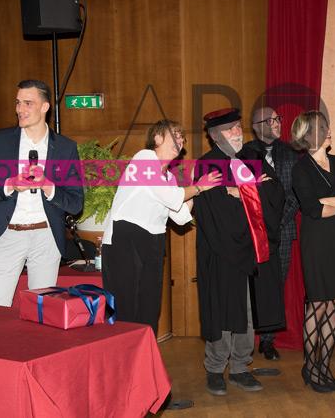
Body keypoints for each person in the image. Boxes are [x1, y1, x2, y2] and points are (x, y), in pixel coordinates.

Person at [194, 108, 285, 396]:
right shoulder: (207, 165)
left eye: (237, 127)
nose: (237, 133)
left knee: (247, 311)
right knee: (222, 311)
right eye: (230, 129)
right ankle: (215, 368)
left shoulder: (252, 158)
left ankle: (241, 367)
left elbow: (276, 193)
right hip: (221, 251)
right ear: (215, 136)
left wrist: (241, 192)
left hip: (251, 249)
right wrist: (252, 191)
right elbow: (214, 210)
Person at [0, 79, 84, 307]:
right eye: (18, 103)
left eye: (28, 103)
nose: (20, 109)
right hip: (7, 234)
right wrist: (10, 184)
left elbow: (75, 203)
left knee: (42, 312)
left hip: (46, 238)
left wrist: (48, 186)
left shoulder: (65, 148)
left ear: (45, 107)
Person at [101, 120, 221, 336]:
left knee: (149, 308)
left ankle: (144, 355)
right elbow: (172, 197)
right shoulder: (144, 158)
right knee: (125, 307)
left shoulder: (170, 178)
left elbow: (181, 216)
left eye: (182, 137)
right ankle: (121, 354)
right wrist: (198, 187)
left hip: (153, 242)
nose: (180, 140)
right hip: (125, 238)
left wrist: (198, 187)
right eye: (175, 134)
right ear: (157, 138)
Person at [291, 110, 335, 393]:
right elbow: (313, 210)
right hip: (316, 241)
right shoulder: (301, 169)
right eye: (322, 127)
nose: (329, 130)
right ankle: (310, 368)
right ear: (308, 134)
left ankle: (324, 367)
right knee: (319, 303)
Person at [244, 106, 299, 360]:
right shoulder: (244, 154)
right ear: (258, 126)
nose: (278, 123)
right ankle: (245, 338)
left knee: (276, 284)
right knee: (251, 286)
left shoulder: (290, 153)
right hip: (251, 231)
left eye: (279, 118)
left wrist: (276, 223)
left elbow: (295, 195)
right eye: (272, 120)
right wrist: (259, 222)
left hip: (283, 231)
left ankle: (267, 341)